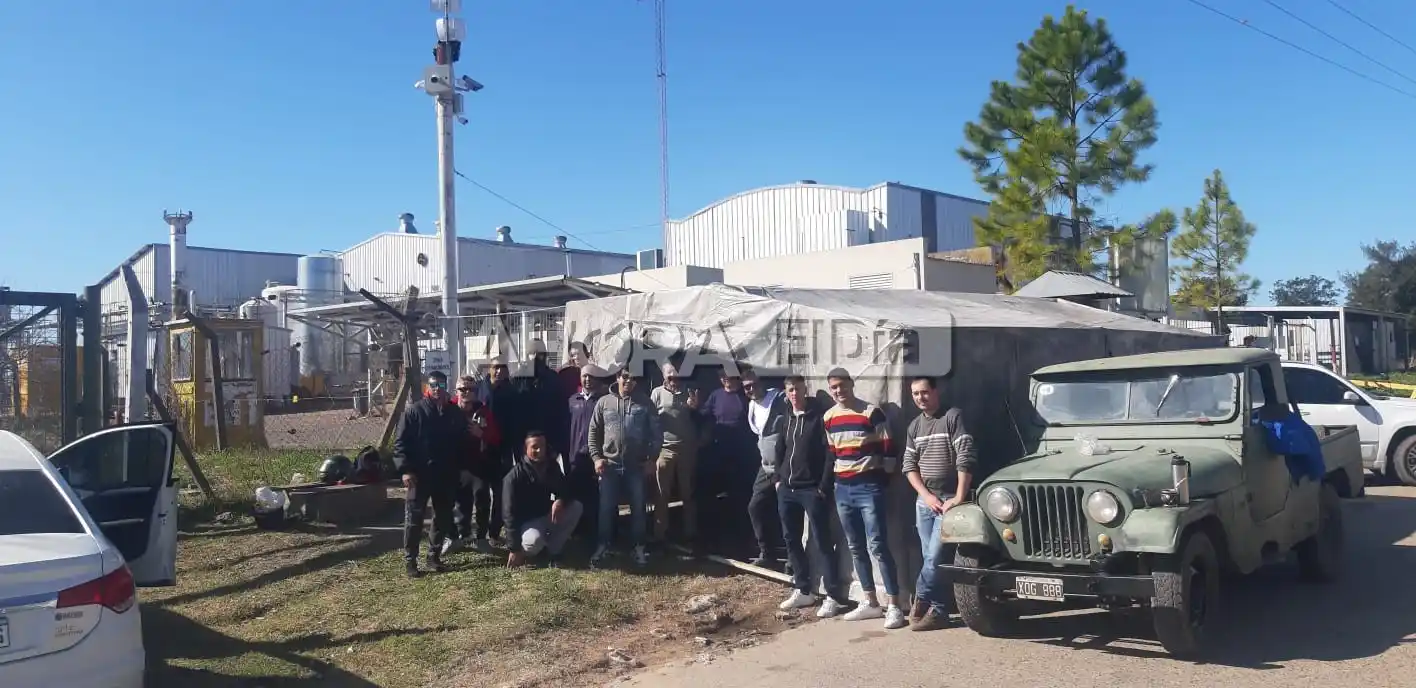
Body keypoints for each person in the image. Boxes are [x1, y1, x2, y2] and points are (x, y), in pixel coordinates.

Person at [823, 367, 907, 629]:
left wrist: (880, 480)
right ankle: (870, 602)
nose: (839, 391)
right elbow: (833, 452)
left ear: (851, 384)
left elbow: (889, 450)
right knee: (855, 546)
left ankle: (894, 606)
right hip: (842, 489)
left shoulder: (871, 413)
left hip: (868, 488)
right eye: (834, 387)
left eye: (842, 385)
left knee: (878, 546)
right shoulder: (829, 417)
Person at [774, 375, 852, 618]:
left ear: (804, 389)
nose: (794, 394)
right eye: (790, 390)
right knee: (791, 539)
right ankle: (803, 588)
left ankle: (833, 596)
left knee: (822, 541)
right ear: (785, 393)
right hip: (787, 489)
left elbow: (830, 454)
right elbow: (780, 449)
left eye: (797, 389)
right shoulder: (785, 417)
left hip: (811, 489)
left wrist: (822, 487)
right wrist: (777, 480)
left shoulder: (819, 419)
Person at [901, 376, 975, 631]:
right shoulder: (914, 427)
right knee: (929, 558)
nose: (920, 398)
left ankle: (921, 597)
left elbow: (966, 455)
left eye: (924, 392)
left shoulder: (952, 417)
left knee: (934, 558)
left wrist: (959, 496)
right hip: (926, 502)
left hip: (948, 502)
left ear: (935, 391)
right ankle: (940, 610)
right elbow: (909, 466)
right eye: (915, 394)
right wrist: (925, 495)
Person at [392, 370, 470, 578]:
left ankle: (433, 556)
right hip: (419, 474)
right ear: (427, 387)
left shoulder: (454, 413)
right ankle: (411, 561)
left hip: (446, 475)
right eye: (433, 385)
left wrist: (461, 469)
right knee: (414, 518)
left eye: (441, 385)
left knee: (443, 517)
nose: (437, 389)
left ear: (447, 387)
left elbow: (463, 444)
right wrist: (405, 470)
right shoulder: (414, 412)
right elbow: (400, 444)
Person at [588, 366, 661, 567]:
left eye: (633, 379)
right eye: (625, 377)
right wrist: (596, 458)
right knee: (606, 508)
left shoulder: (645, 403)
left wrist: (652, 459)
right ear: (618, 378)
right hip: (610, 465)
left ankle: (638, 547)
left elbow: (656, 433)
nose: (629, 382)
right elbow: (593, 432)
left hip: (635, 465)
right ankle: (604, 546)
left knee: (638, 508)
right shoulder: (604, 402)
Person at [503, 431, 584, 568]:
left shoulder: (551, 466)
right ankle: (526, 551)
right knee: (534, 542)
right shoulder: (513, 477)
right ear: (526, 449)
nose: (539, 450)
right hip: (526, 522)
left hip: (546, 515)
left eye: (542, 446)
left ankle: (554, 550)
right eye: (534, 447)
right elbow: (508, 514)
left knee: (576, 507)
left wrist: (560, 500)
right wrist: (514, 548)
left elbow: (565, 489)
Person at [450, 375, 502, 555]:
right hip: (456, 465)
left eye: (470, 389)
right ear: (456, 391)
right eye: (462, 389)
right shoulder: (449, 409)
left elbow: (496, 437)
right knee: (460, 502)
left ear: (476, 392)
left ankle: (481, 537)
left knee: (482, 499)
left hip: (479, 464)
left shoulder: (483, 411)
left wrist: (482, 434)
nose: (466, 393)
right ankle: (462, 536)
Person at [700, 368, 751, 551]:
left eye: (728, 376)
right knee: (717, 494)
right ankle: (716, 535)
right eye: (722, 377)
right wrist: (692, 408)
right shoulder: (715, 395)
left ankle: (742, 537)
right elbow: (703, 416)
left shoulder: (745, 395)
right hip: (719, 450)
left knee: (740, 495)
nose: (725, 379)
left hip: (741, 453)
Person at [649, 362, 700, 545]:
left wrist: (694, 408)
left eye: (677, 376)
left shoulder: (690, 391)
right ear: (664, 376)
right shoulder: (656, 393)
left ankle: (690, 533)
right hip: (665, 449)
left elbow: (701, 417)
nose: (674, 380)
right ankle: (659, 534)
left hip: (687, 448)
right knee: (662, 493)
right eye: (670, 376)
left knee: (688, 493)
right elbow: (650, 419)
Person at [743, 368, 788, 567]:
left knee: (786, 510)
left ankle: (793, 559)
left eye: (753, 384)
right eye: (746, 387)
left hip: (784, 465)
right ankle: (766, 552)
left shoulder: (778, 398)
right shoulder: (752, 405)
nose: (751, 389)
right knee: (755, 506)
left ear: (761, 382)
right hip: (766, 466)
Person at [567, 364, 611, 538]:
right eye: (584, 376)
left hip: (597, 457)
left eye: (591, 376)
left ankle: (597, 531)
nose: (587, 379)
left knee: (596, 496)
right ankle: (577, 530)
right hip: (575, 456)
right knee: (576, 494)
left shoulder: (604, 401)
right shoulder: (572, 400)